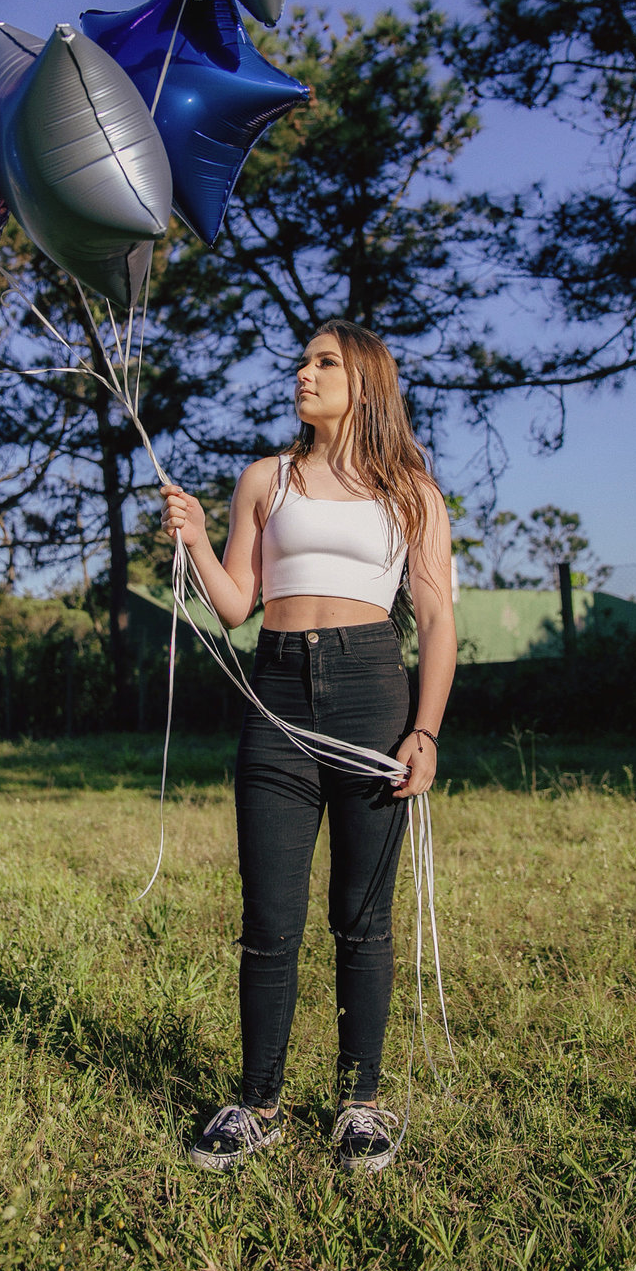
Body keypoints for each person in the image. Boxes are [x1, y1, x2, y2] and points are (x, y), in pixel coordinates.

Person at [160, 320, 456, 1174]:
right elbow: (233, 605)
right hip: (278, 689)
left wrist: (425, 731)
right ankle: (257, 1104)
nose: (304, 372)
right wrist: (194, 540)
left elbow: (436, 621)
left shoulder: (412, 492)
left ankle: (360, 1105)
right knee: (270, 918)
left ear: (364, 380)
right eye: (303, 360)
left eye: (325, 362)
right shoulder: (265, 479)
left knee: (362, 922)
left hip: (373, 691)